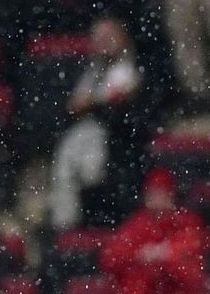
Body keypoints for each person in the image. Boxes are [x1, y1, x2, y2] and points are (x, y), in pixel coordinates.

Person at [48, 16, 145, 231]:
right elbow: (73, 104)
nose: (103, 42)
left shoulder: (131, 66)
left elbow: (121, 98)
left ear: (122, 38)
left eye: (108, 36)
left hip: (114, 134)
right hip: (85, 129)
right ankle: (65, 230)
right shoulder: (91, 69)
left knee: (91, 171)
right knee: (65, 164)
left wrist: (92, 103)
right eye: (98, 37)